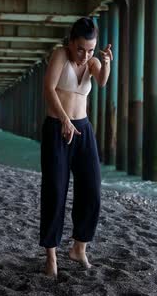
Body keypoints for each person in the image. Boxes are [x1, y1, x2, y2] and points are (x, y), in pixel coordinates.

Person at [40, 17, 112, 277]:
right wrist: (64, 120)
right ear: (71, 42)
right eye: (80, 48)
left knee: (92, 188)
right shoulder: (60, 54)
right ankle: (51, 256)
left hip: (83, 131)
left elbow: (102, 81)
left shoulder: (92, 61)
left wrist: (105, 63)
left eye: (90, 49)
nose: (84, 55)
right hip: (57, 129)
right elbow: (48, 89)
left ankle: (79, 247)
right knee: (55, 192)